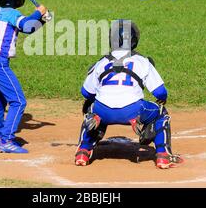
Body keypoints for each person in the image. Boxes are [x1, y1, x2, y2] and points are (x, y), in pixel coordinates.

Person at [75, 19, 183, 169]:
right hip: (133, 110)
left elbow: (86, 92)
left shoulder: (102, 62)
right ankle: (163, 155)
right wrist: (161, 100)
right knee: (161, 113)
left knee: (92, 113)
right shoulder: (141, 61)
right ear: (133, 40)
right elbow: (160, 92)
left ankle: (83, 152)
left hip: (103, 110)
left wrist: (94, 104)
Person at [0, 0, 49, 154]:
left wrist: (41, 20)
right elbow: (26, 25)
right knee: (18, 101)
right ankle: (5, 139)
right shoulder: (12, 14)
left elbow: (30, 28)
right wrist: (38, 13)